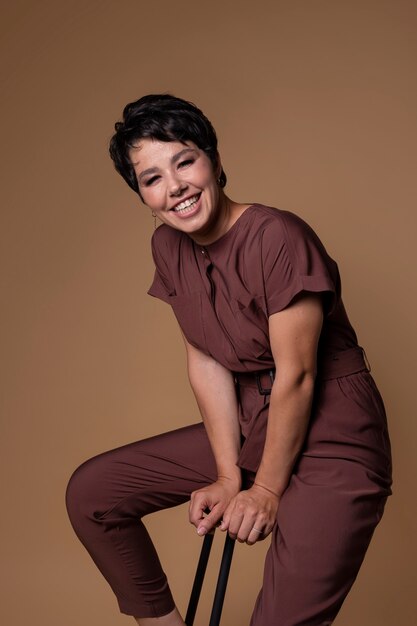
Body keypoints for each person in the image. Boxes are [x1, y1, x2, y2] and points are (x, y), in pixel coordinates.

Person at [66, 94, 392, 626]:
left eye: (184, 161)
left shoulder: (277, 235)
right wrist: (225, 475)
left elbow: (300, 375)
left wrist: (263, 490)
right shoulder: (168, 248)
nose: (174, 188)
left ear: (214, 161)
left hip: (334, 431)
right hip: (252, 421)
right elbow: (207, 361)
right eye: (151, 178)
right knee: (93, 494)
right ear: (142, 195)